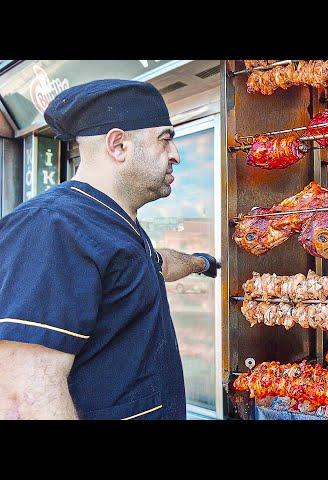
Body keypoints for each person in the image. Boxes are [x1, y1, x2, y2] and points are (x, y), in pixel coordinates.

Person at [0, 79, 220, 419]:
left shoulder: (112, 222)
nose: (175, 154)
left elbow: (154, 264)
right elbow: (24, 396)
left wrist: (201, 263)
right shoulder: (51, 227)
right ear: (118, 145)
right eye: (165, 139)